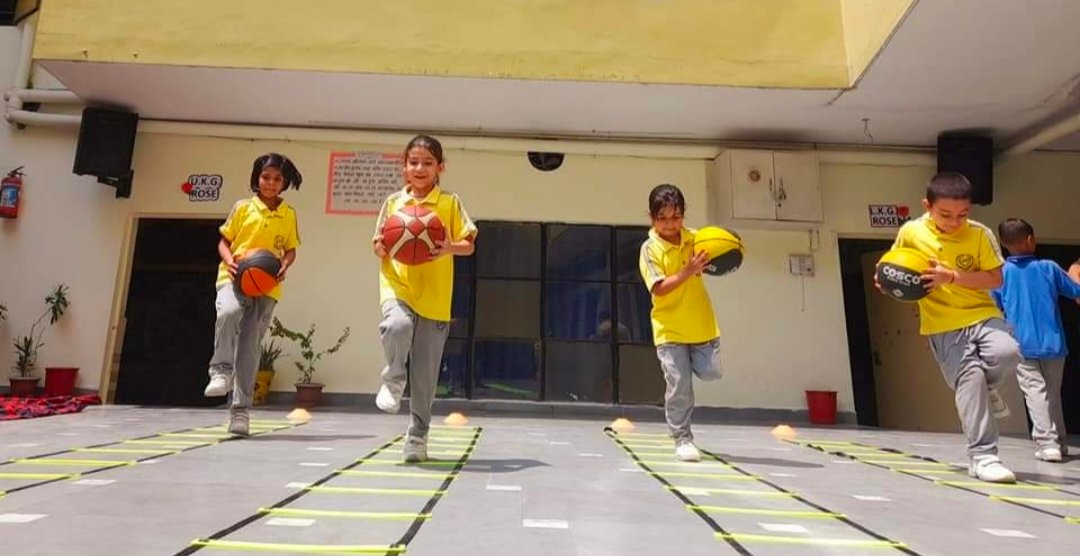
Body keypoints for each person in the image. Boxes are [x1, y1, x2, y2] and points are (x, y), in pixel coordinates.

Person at [882, 171, 1020, 483]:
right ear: (927, 206)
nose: (955, 221)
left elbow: (996, 279)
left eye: (963, 214)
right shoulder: (911, 232)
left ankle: (989, 386)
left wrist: (953, 277)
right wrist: (884, 281)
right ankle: (984, 457)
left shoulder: (980, 234)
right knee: (970, 380)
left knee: (1008, 352)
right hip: (943, 325)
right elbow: (893, 265)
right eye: (945, 214)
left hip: (981, 314)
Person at [372, 135, 477, 463]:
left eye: (428, 163)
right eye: (414, 162)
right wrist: (384, 247)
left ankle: (417, 435)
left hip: (435, 297)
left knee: (425, 376)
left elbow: (469, 244)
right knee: (397, 325)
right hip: (398, 286)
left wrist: (449, 247)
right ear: (403, 166)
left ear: (440, 167)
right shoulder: (393, 203)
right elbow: (378, 244)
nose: (420, 168)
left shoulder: (449, 203)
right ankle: (393, 379)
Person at [204, 153, 302, 436]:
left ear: (285, 183)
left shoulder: (289, 214)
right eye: (265, 177)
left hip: (266, 286)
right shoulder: (243, 207)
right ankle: (220, 371)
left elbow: (291, 249)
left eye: (277, 179)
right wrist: (229, 261)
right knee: (229, 311)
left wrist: (285, 265)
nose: (271, 183)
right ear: (256, 179)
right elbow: (224, 241)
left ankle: (240, 411)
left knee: (249, 347)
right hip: (234, 277)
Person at [638, 183, 722, 462]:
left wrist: (726, 255)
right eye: (662, 218)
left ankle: (691, 370)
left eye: (675, 217)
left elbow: (720, 255)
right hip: (669, 328)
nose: (669, 224)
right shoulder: (650, 249)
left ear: (683, 215)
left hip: (701, 325)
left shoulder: (696, 239)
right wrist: (688, 270)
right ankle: (682, 438)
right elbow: (659, 288)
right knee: (679, 383)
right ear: (652, 218)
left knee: (711, 372)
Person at [992, 218, 1080, 462]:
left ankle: (1047, 442)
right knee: (1052, 393)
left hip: (1021, 343)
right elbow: (1075, 291)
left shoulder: (1001, 274)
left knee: (1034, 392)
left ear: (1003, 243)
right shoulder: (1049, 268)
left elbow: (993, 306)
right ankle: (1059, 441)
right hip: (1054, 343)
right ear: (1031, 239)